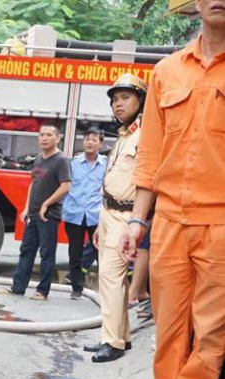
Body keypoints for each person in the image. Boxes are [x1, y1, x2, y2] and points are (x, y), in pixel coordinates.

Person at [124, 0, 225, 379]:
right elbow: (149, 154)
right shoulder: (166, 71)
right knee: (168, 330)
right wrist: (136, 220)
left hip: (220, 222)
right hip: (167, 220)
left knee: (210, 333)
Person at [84, 74, 147, 364]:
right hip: (109, 212)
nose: (117, 104)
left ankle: (112, 342)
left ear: (141, 101)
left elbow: (147, 181)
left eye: (125, 98)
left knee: (110, 278)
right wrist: (101, 222)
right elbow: (113, 180)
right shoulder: (124, 134)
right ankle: (121, 335)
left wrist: (138, 221)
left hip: (127, 215)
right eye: (114, 99)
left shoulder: (146, 135)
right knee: (115, 281)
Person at [1, 125, 71, 300]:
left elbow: (65, 186)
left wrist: (47, 204)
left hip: (48, 215)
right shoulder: (39, 158)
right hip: (33, 214)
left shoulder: (61, 160)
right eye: (41, 135)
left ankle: (42, 291)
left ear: (58, 138)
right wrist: (27, 208)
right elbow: (34, 183)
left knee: (46, 253)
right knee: (26, 250)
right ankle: (18, 287)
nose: (44, 138)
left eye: (49, 135)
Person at [62, 126, 106, 300]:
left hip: (97, 216)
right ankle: (76, 288)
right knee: (75, 253)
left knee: (101, 254)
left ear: (100, 144)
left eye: (94, 139)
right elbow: (65, 186)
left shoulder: (106, 165)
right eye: (87, 139)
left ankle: (106, 291)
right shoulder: (73, 163)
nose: (90, 142)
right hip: (75, 214)